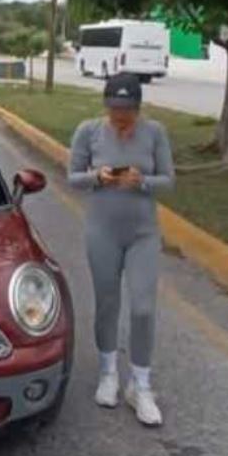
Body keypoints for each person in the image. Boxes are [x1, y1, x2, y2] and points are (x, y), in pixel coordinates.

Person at [67, 72, 174, 426]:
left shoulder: (155, 132)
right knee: (107, 302)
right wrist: (98, 176)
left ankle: (141, 385)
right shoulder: (88, 130)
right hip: (103, 231)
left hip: (142, 232)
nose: (120, 117)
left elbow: (168, 181)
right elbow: (73, 176)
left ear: (138, 108)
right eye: (114, 109)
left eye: (127, 111)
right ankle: (108, 372)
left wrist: (141, 181)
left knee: (143, 307)